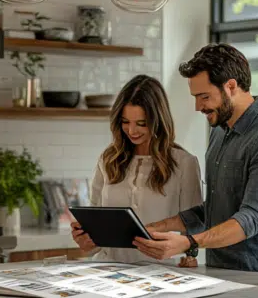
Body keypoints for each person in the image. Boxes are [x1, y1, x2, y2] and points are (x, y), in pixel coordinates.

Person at [133, 43, 258, 272]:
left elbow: (254, 216)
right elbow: (214, 208)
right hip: (218, 271)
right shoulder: (220, 132)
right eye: (195, 97)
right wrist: (158, 227)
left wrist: (189, 242)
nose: (197, 106)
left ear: (231, 86)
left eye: (204, 97)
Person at [70, 75, 203, 265]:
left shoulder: (184, 163)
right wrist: (86, 241)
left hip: (161, 273)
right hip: (109, 271)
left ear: (158, 120)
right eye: (125, 122)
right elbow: (96, 233)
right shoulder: (108, 160)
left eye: (141, 123)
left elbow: (193, 227)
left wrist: (190, 256)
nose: (132, 131)